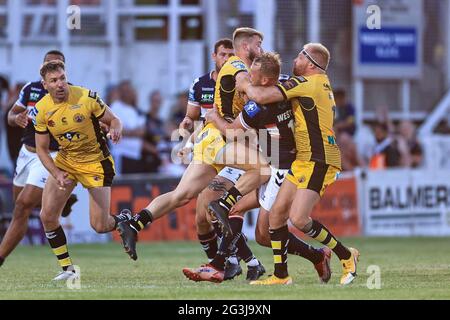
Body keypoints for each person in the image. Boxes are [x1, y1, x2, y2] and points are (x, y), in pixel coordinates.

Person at [116, 28, 269, 279]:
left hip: (212, 140)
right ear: (246, 45)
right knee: (262, 169)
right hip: (223, 141)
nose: (261, 49)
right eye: (259, 44)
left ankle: (136, 223)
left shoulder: (236, 68)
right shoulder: (238, 66)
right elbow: (250, 91)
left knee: (181, 195)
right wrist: (277, 91)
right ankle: (230, 222)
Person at [183, 52, 332, 284]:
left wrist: (213, 117)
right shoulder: (285, 85)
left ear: (263, 81)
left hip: (283, 169)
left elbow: (232, 131)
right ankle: (316, 256)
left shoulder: (258, 106)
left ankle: (223, 266)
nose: (247, 78)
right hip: (275, 163)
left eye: (251, 75)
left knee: (265, 230)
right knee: (253, 226)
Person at [236, 43, 359, 285]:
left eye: (299, 55)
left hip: (319, 158)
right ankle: (281, 275)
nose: (295, 59)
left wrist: (244, 82)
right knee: (277, 216)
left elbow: (260, 95)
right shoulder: (315, 83)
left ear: (310, 63)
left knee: (299, 219)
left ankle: (346, 255)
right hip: (302, 159)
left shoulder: (308, 83)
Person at [34, 60, 127, 280]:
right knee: (47, 215)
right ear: (45, 84)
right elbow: (42, 149)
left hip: (95, 161)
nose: (60, 84)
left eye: (62, 78)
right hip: (66, 162)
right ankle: (67, 269)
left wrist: (115, 129)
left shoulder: (86, 97)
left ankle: (123, 220)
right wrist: (57, 174)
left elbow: (114, 119)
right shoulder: (41, 109)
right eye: (54, 81)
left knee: (100, 225)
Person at [178, 38, 257, 280]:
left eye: (230, 55)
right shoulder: (201, 84)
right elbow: (192, 119)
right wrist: (187, 140)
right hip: (212, 151)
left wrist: (218, 121)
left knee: (215, 206)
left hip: (237, 154)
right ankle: (237, 262)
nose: (227, 59)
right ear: (215, 56)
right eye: (223, 55)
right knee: (206, 214)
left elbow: (242, 128)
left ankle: (227, 263)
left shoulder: (244, 83)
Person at [0, 51, 77, 268]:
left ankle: (0, 258)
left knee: (23, 206)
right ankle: (60, 201)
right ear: (43, 71)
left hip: (51, 155)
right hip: (26, 155)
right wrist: (18, 118)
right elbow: (11, 116)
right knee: (20, 207)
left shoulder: (71, 94)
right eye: (49, 66)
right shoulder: (30, 89)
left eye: (58, 68)